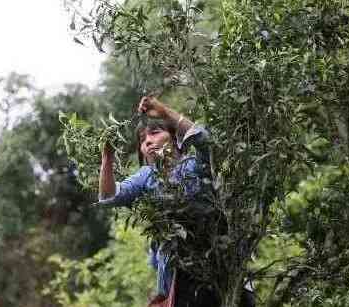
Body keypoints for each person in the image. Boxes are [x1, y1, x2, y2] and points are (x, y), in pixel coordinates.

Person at [98, 96, 255, 307]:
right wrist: (107, 158)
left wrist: (164, 112)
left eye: (155, 133)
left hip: (221, 265)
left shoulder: (193, 165)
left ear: (174, 139)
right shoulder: (147, 176)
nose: (148, 142)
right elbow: (109, 198)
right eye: (143, 140)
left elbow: (206, 141)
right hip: (182, 281)